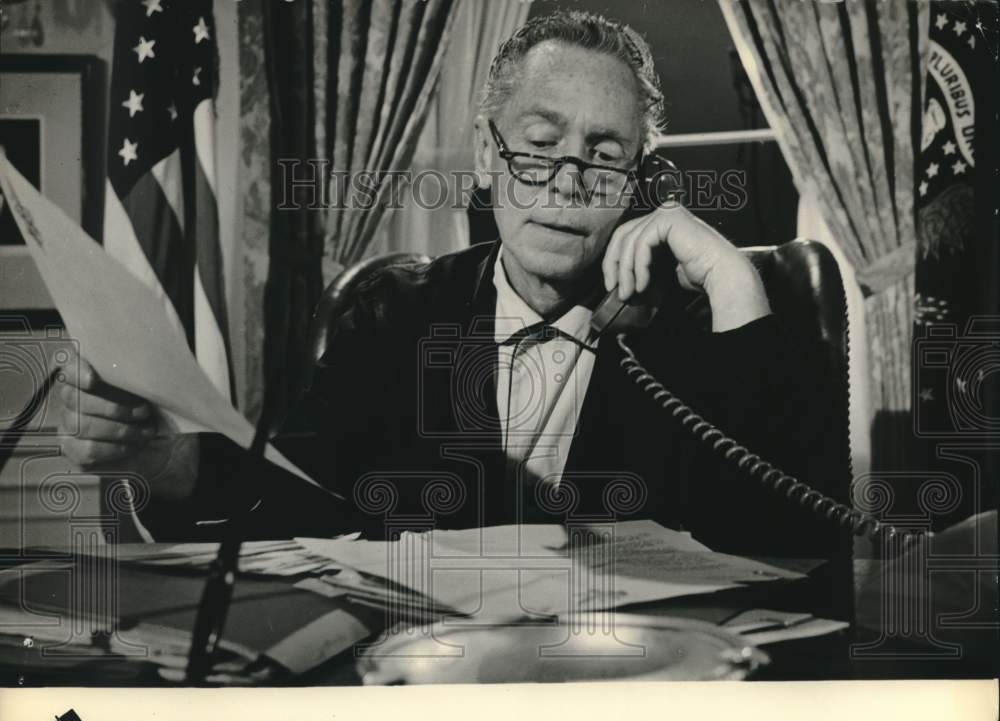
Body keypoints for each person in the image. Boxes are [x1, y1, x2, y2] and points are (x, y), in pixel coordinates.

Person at [55, 12, 844, 558]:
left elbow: (798, 545)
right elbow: (296, 500)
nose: (566, 183)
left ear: (643, 180)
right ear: (487, 155)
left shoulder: (696, 323)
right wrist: (167, 463)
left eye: (605, 156)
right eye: (539, 144)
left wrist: (735, 280)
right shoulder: (393, 313)